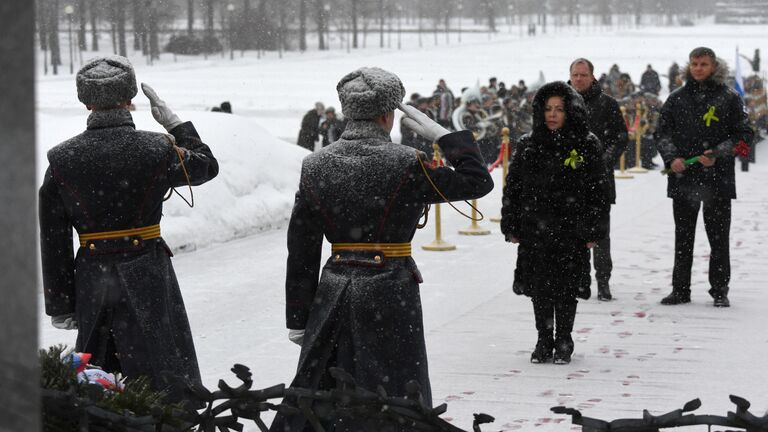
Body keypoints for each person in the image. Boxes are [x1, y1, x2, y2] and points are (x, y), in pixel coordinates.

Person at [270, 67, 493, 431]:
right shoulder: (407, 162)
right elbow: (477, 181)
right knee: (394, 391)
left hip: (333, 291)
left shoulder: (314, 165)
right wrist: (447, 137)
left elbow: (302, 249)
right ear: (389, 115)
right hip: (390, 288)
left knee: (325, 391)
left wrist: (298, 315)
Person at [39, 55, 219, 403]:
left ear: (86, 101)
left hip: (93, 274)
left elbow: (54, 236)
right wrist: (177, 126)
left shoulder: (61, 158)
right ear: (131, 99)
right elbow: (206, 167)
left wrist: (61, 303)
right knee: (162, 367)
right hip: (148, 268)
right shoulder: (158, 148)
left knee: (96, 371)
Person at [501, 81, 610, 364]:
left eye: (559, 109)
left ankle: (564, 338)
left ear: (569, 111)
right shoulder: (528, 144)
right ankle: (543, 338)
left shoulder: (586, 143)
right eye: (548, 108)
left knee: (565, 288)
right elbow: (513, 187)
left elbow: (599, 191)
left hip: (571, 229)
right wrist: (511, 223)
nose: (552, 114)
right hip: (536, 228)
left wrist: (594, 228)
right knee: (539, 288)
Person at [655, 47, 754, 307]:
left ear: (714, 67)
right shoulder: (676, 98)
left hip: (717, 179)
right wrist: (672, 158)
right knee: (683, 237)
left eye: (703, 64)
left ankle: (720, 290)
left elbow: (745, 139)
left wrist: (719, 153)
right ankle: (680, 289)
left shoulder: (729, 98)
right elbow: (661, 133)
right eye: (694, 64)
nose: (698, 68)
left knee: (719, 238)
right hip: (684, 178)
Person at [569, 58, 628, 301]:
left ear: (593, 76)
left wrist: (604, 159)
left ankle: (603, 280)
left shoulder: (607, 104)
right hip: (567, 181)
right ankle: (577, 281)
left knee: (600, 234)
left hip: (598, 180)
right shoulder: (559, 104)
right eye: (575, 75)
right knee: (570, 234)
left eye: (584, 75)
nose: (579, 79)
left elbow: (620, 136)